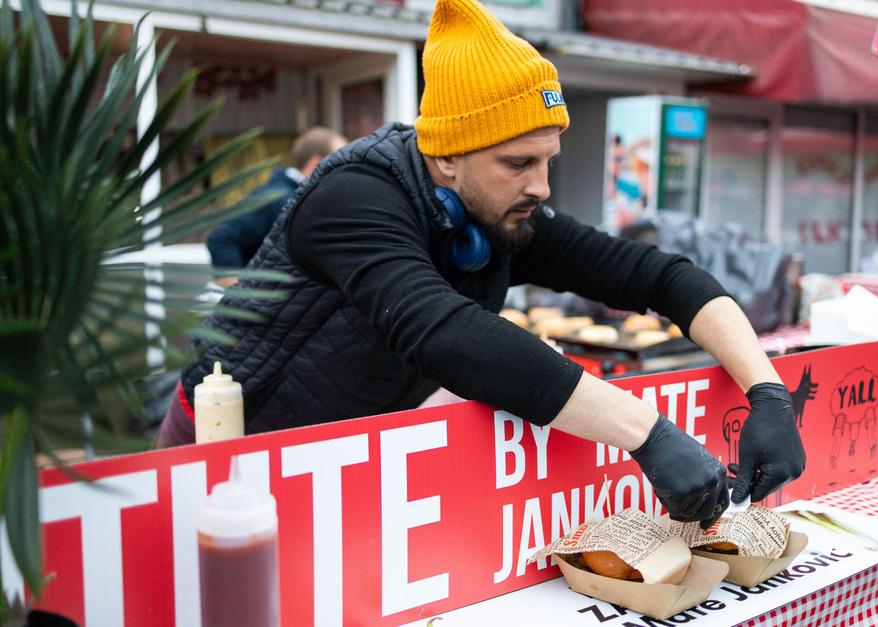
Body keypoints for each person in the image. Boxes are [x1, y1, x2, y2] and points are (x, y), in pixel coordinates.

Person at [159, 0, 805, 529]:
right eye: (519, 163)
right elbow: (445, 334)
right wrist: (648, 433)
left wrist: (768, 393)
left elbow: (655, 275)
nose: (542, 186)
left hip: (337, 461)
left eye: (548, 159)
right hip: (225, 460)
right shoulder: (354, 196)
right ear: (447, 159)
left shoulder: (500, 210)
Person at [206, 126, 347, 287]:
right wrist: (238, 291)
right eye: (340, 161)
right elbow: (221, 238)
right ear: (316, 162)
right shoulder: (277, 198)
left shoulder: (298, 196)